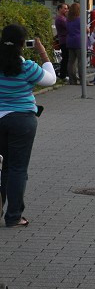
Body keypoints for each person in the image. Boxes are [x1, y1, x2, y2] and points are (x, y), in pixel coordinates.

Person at [0, 24, 56, 227]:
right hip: (22, 121)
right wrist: (42, 51)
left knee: (3, 167)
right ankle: (14, 216)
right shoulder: (27, 67)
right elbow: (50, 80)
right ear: (23, 44)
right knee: (17, 169)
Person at [65, 2, 85, 85]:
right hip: (79, 42)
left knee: (71, 62)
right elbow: (85, 30)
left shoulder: (68, 20)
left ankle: (72, 80)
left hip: (70, 41)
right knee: (81, 62)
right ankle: (82, 80)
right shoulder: (80, 19)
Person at [54, 3, 69, 84]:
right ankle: (63, 74)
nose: (66, 10)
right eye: (64, 8)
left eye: (67, 8)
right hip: (64, 40)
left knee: (66, 57)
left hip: (65, 39)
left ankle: (64, 73)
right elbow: (68, 27)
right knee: (66, 57)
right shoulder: (61, 19)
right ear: (59, 9)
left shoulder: (63, 18)